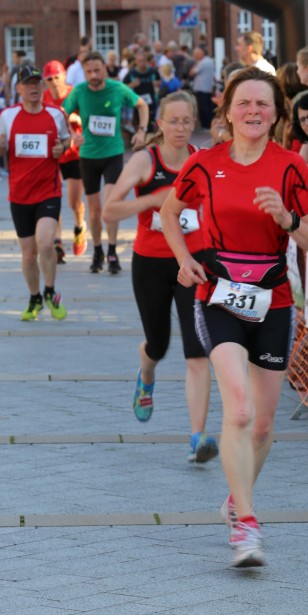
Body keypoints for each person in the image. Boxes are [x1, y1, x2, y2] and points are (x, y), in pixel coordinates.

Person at [160, 68, 308, 568]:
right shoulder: (205, 163)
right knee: (238, 410)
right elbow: (169, 213)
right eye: (244, 103)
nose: (253, 111)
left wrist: (288, 219)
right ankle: (247, 525)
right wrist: (183, 260)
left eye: (263, 103)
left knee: (262, 424)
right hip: (217, 298)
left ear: (276, 114)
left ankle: (236, 499)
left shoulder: (291, 168)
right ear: (229, 112)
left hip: (272, 303)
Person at [103, 91, 218, 463]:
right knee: (158, 344)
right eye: (173, 121)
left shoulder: (202, 160)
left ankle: (198, 437)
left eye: (187, 121)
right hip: (150, 263)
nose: (180, 128)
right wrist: (153, 200)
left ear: (194, 123)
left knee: (197, 351)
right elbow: (109, 211)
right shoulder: (144, 160)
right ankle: (146, 375)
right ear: (160, 124)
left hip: (193, 263)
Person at [0, 64, 71, 321]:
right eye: (28, 83)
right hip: (19, 195)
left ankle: (50, 292)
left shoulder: (56, 114)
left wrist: (62, 149)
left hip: (48, 190)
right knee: (28, 255)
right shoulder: (7, 117)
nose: (34, 87)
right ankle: (35, 297)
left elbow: (66, 140)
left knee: (45, 243)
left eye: (37, 83)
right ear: (18, 88)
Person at [62, 51, 150, 274]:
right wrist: (73, 133)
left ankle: (112, 250)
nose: (93, 75)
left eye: (97, 70)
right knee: (94, 209)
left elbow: (142, 105)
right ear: (84, 73)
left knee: (111, 204)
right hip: (88, 156)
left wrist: (141, 130)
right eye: (89, 72)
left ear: (104, 69)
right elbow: (62, 113)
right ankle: (97, 250)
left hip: (113, 154)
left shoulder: (117, 88)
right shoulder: (79, 91)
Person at [42, 59, 88, 258]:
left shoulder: (75, 94)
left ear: (64, 76)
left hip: (73, 154)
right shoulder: (44, 97)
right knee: (53, 199)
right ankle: (57, 240)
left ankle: (79, 227)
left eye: (56, 77)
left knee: (74, 202)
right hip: (53, 154)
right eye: (49, 79)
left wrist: (79, 121)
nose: (53, 82)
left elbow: (90, 117)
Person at [188, 46, 216, 128]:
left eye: (196, 54)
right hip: (208, 88)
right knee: (208, 107)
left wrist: (196, 62)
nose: (195, 56)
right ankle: (209, 124)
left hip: (201, 88)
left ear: (201, 53)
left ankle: (205, 125)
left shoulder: (202, 63)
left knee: (203, 108)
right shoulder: (210, 61)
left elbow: (192, 73)